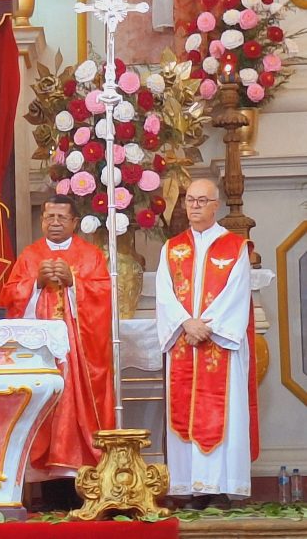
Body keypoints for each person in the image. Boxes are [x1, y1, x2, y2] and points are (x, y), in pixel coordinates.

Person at [0, 194, 115, 509]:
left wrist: (74, 283)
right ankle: (45, 492)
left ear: (74, 222)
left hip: (79, 358)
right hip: (42, 356)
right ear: (41, 221)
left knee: (76, 412)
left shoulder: (90, 255)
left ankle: (82, 488)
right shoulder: (30, 255)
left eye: (61, 217)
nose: (54, 223)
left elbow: (104, 295)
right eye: (49, 217)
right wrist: (35, 285)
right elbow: (8, 296)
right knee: (45, 410)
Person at [156, 178, 258, 509]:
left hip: (219, 346)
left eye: (202, 200)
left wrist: (206, 326)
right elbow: (165, 293)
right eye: (190, 200)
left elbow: (237, 294)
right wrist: (185, 323)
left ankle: (221, 487)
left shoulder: (235, 247)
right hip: (184, 341)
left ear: (216, 206)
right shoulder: (171, 248)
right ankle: (189, 488)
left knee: (223, 412)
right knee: (184, 413)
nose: (195, 206)